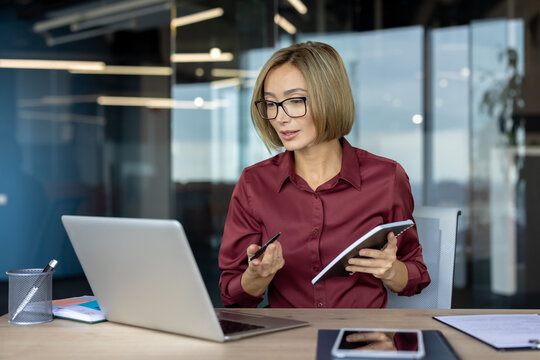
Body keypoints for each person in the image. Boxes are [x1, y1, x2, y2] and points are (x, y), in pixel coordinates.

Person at [218, 41, 430, 308]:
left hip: (361, 341)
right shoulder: (254, 184)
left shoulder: (386, 178)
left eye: (295, 101)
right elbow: (231, 295)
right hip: (288, 340)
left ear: (329, 97)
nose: (280, 117)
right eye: (270, 104)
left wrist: (391, 270)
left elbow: (417, 276)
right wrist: (256, 277)